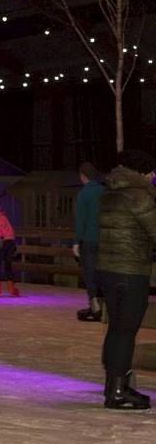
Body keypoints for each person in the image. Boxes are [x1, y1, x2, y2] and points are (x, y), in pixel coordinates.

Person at [96, 149, 156, 410]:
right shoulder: (139, 195)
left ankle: (114, 383)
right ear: (144, 172)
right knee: (125, 330)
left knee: (117, 328)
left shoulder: (111, 192)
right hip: (131, 270)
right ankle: (118, 391)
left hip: (108, 268)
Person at [75, 162, 104, 321]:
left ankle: (95, 304)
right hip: (105, 239)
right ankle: (104, 304)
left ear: (83, 176)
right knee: (102, 271)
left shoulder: (84, 194)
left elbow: (81, 220)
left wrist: (76, 241)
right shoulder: (105, 191)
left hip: (89, 239)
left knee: (90, 272)